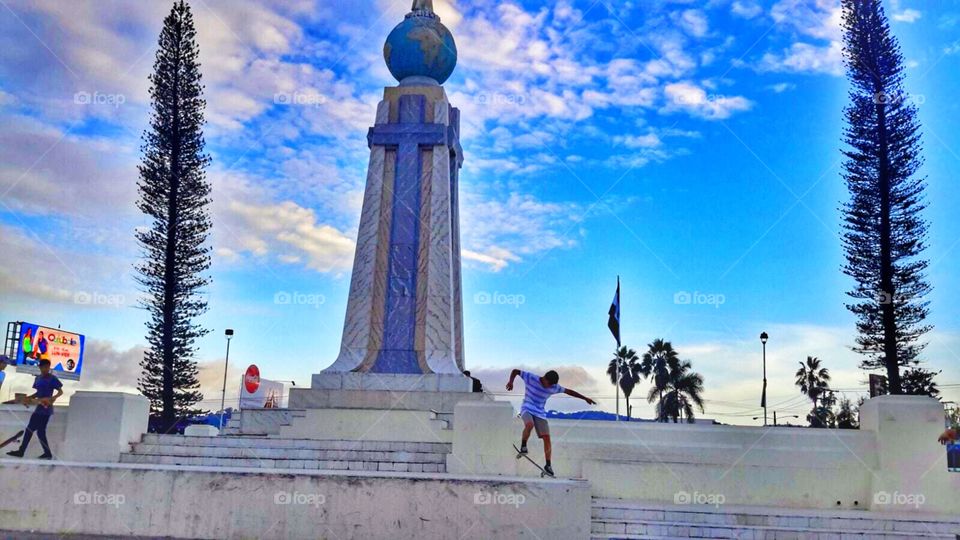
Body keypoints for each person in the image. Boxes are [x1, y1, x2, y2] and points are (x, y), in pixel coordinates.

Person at [506, 368, 595, 477]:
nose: (549, 387)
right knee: (530, 424)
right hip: (527, 408)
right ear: (544, 378)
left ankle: (548, 465)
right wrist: (511, 382)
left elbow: (569, 391)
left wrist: (585, 398)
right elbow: (515, 371)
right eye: (548, 384)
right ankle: (524, 446)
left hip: (540, 413)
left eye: (551, 385)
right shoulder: (531, 378)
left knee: (547, 438)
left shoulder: (554, 387)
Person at [7, 359, 63, 459]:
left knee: (31, 429)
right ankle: (47, 453)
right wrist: (29, 398)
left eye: (47, 367)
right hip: (39, 406)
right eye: (44, 367)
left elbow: (60, 391)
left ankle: (22, 451)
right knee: (40, 431)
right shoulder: (38, 378)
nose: (46, 369)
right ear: (40, 368)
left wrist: (52, 398)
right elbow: (38, 393)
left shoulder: (52, 378)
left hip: (46, 407)